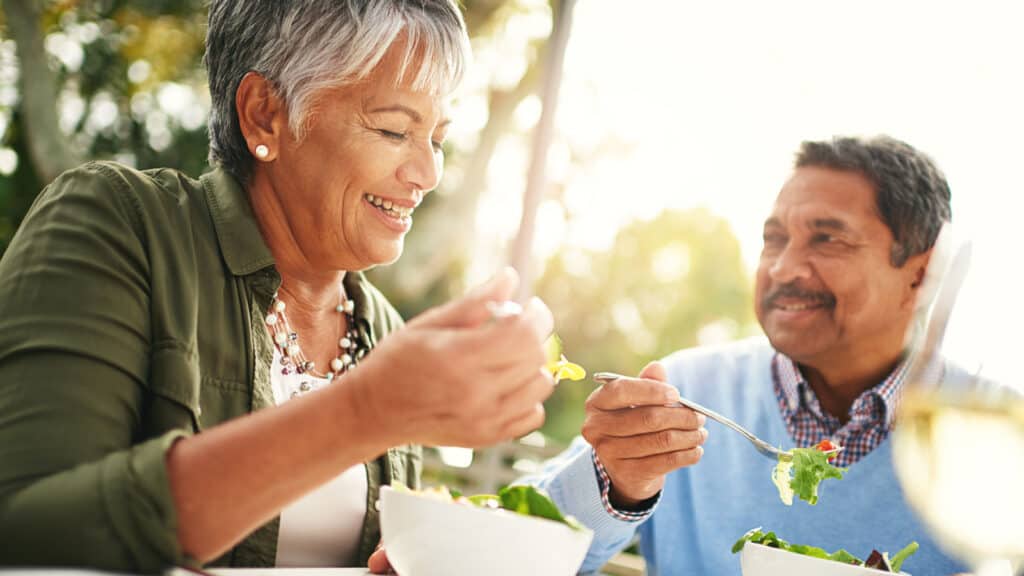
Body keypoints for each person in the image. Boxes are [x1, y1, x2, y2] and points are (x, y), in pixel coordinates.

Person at [0, 1, 556, 571]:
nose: (429, 173)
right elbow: (26, 532)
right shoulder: (121, 226)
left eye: (436, 138)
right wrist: (364, 412)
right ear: (265, 114)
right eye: (394, 129)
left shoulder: (386, 331)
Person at [517, 136, 972, 574]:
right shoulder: (685, 391)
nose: (782, 268)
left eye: (827, 239)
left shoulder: (997, 432)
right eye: (774, 239)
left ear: (921, 273)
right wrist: (618, 486)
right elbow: (520, 545)